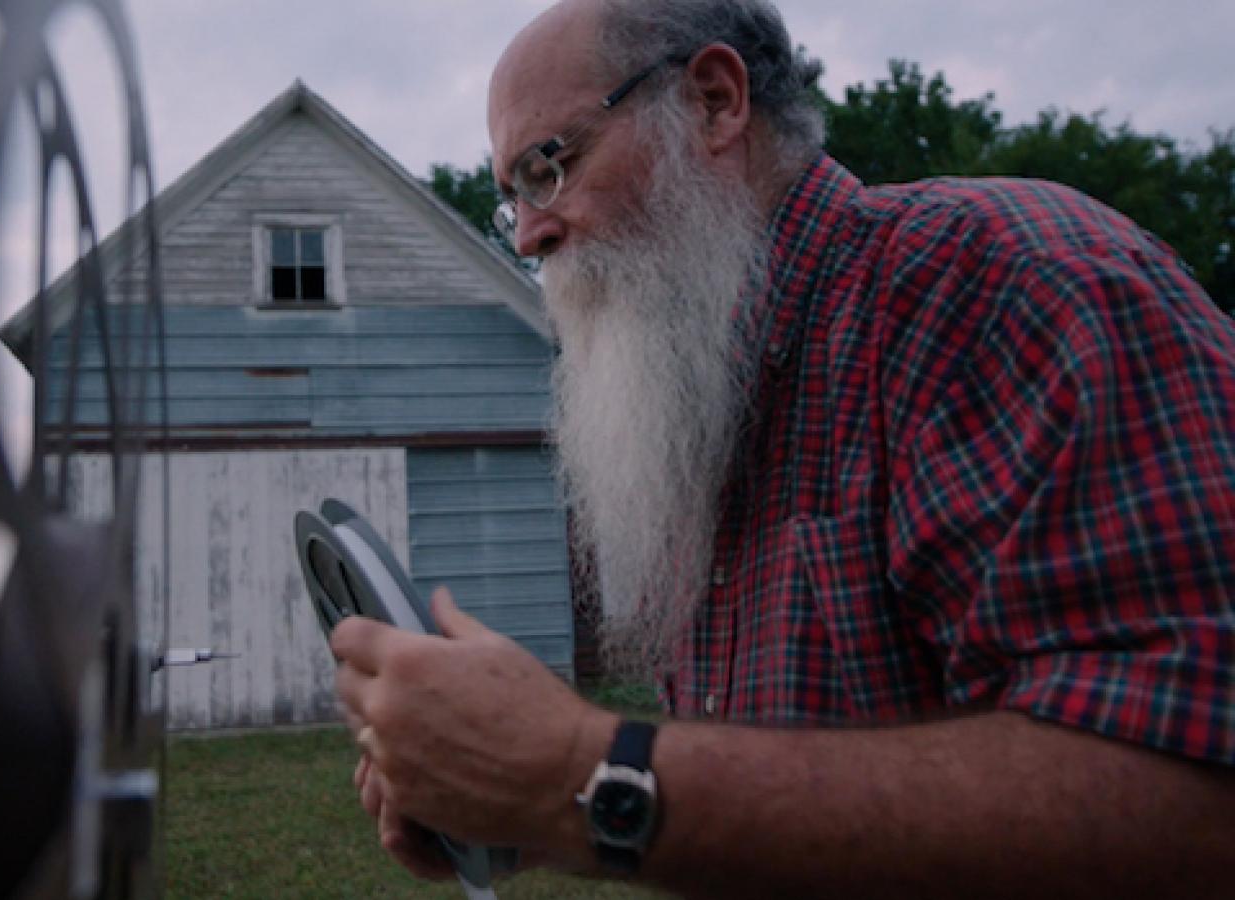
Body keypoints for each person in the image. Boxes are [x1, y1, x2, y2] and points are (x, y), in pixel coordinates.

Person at [331, 0, 1235, 895]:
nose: (531, 232)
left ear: (715, 103)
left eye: (548, 167)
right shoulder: (699, 407)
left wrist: (579, 773)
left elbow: (1193, 797)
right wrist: (518, 808)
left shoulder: (1007, 281)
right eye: (512, 201)